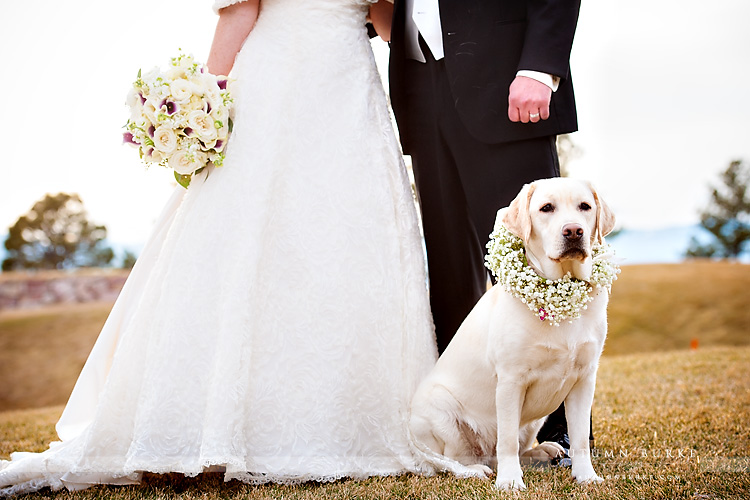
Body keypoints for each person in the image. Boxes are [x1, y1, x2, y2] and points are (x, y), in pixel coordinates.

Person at [0, 0, 471, 495]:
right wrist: (201, 102)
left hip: (350, 96)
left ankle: (347, 420)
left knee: (346, 243)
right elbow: (241, 10)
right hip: (274, 91)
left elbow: (384, 16)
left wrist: (451, 71)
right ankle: (211, 426)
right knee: (254, 239)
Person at [386, 0, 585, 457]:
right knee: (452, 271)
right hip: (423, 89)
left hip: (506, 81)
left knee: (536, 263)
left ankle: (562, 430)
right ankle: (479, 433)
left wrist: (539, 67)